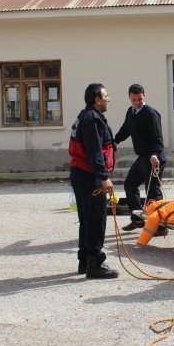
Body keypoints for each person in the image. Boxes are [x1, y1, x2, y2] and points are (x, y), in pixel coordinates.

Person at [69, 83, 118, 279]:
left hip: (82, 175)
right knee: (96, 219)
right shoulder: (92, 120)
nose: (109, 99)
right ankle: (95, 263)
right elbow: (94, 151)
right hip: (89, 177)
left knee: (87, 219)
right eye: (106, 96)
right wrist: (104, 177)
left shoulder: (86, 116)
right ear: (97, 99)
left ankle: (84, 261)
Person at [113, 84, 167, 231]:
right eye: (134, 100)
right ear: (129, 98)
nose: (137, 103)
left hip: (154, 158)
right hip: (142, 158)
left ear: (144, 95)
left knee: (153, 193)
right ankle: (138, 220)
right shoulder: (131, 112)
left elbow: (158, 138)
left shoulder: (151, 114)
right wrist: (115, 140)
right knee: (129, 185)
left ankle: (160, 226)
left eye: (139, 99)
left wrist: (155, 154)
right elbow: (126, 129)